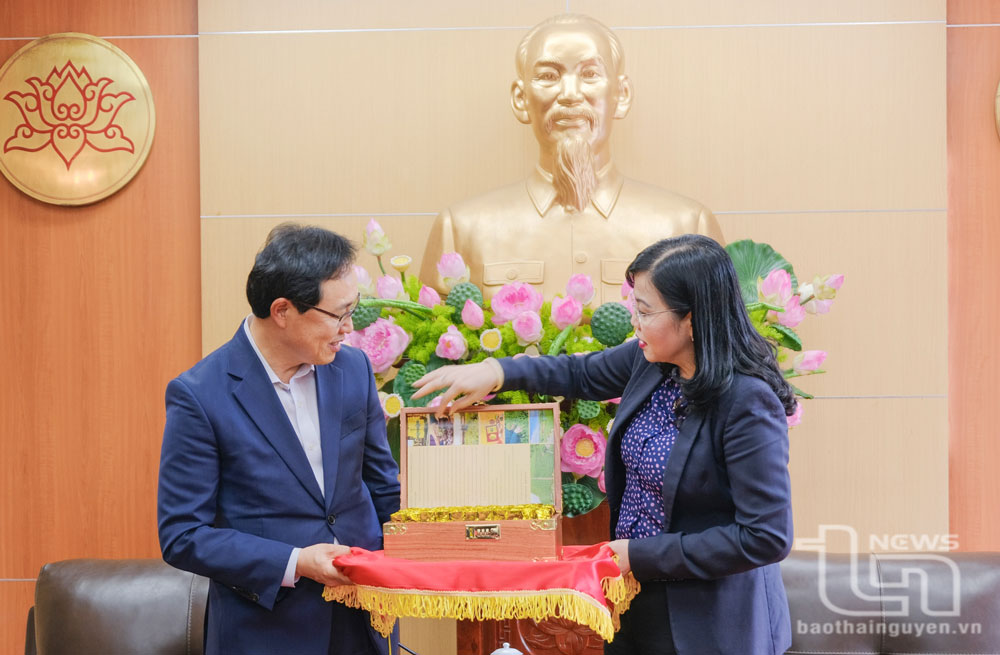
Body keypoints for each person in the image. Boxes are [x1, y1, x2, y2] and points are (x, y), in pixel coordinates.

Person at [413, 234, 795, 654]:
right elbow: (580, 373)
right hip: (633, 596)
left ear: (692, 319)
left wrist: (640, 555)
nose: (635, 321)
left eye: (645, 311)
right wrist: (495, 371)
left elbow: (765, 536)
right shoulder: (652, 363)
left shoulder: (746, 401)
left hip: (710, 620)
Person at [158, 224, 400, 655]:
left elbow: (382, 486)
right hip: (267, 628)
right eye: (338, 314)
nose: (349, 329)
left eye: (353, 310)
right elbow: (183, 534)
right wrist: (296, 562)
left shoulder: (354, 369)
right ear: (283, 310)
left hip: (363, 617)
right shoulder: (200, 394)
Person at [420, 14, 724, 304]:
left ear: (622, 94)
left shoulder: (686, 228)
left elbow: (721, 345)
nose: (569, 94)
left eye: (590, 74)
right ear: (520, 99)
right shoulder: (461, 230)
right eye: (548, 76)